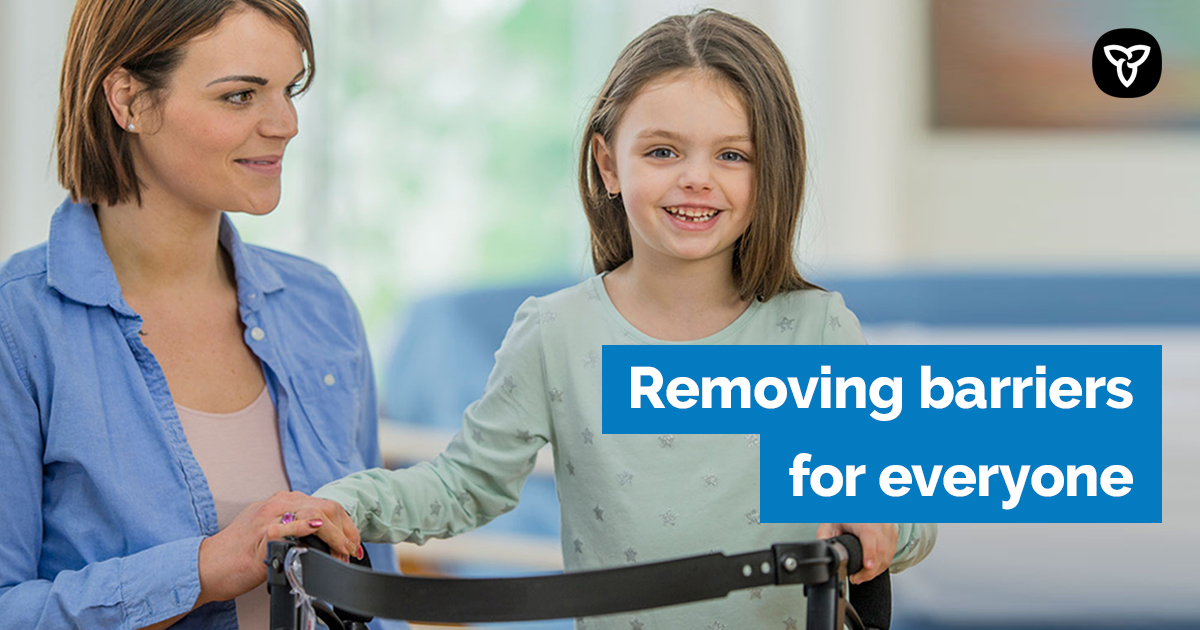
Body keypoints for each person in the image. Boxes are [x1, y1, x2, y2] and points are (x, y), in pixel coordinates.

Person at [288, 9, 937, 629]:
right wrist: (348, 502)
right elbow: (465, 484)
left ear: (771, 172)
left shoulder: (818, 330)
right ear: (607, 163)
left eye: (732, 156)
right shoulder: (555, 332)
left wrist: (878, 517)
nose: (696, 180)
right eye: (662, 152)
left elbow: (911, 516)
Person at [0, 1, 397, 628]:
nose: (286, 123)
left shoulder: (322, 308)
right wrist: (203, 571)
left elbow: (378, 589)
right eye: (240, 95)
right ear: (128, 100)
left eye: (288, 89)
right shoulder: (18, 326)